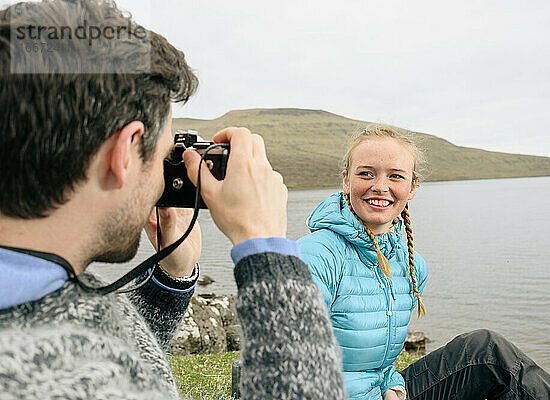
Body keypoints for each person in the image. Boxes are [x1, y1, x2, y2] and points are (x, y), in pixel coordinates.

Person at [0, 1, 345, 399]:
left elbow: (79, 330)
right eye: (164, 155)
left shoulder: (47, 287)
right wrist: (265, 247)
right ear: (124, 153)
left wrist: (169, 281)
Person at [298, 125, 550, 400]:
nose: (380, 186)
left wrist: (391, 385)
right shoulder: (316, 256)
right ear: (346, 180)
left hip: (381, 394)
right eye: (366, 173)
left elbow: (378, 362)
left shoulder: (411, 266)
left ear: (412, 187)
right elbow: (289, 363)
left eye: (395, 176)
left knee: (485, 352)